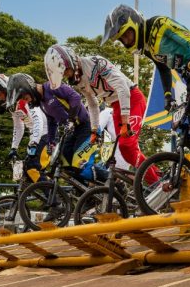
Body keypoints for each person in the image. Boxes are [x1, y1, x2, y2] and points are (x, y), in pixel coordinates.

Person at [102, 5, 190, 174]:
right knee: (189, 131)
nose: (126, 40)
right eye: (122, 38)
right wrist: (168, 95)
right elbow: (162, 68)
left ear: (135, 23)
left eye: (126, 34)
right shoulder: (146, 46)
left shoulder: (160, 24)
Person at [43, 44, 159, 184]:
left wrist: (125, 120)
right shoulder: (79, 80)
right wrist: (94, 129)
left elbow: (122, 87)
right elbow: (92, 104)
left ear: (70, 61)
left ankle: (157, 183)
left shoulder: (96, 63)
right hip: (115, 106)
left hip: (132, 99)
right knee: (127, 151)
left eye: (65, 71)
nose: (66, 75)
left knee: (127, 146)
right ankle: (158, 174)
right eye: (63, 74)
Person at [5, 73, 107, 182]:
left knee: (80, 164)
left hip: (87, 126)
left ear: (30, 88)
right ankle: (86, 194)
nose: (28, 101)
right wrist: (50, 142)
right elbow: (52, 122)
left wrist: (71, 120)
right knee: (65, 164)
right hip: (72, 131)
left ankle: (114, 181)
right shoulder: (42, 102)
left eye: (26, 98)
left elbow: (76, 98)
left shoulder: (52, 86)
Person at [0, 73, 49, 182]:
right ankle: (50, 192)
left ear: (3, 87)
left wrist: (34, 142)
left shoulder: (22, 95)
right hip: (36, 137)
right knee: (26, 172)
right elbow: (18, 126)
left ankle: (54, 197)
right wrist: (14, 147)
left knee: (33, 168)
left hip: (46, 134)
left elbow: (38, 121)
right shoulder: (12, 104)